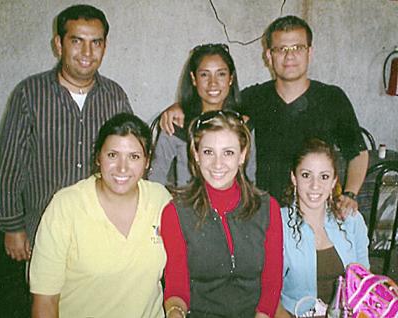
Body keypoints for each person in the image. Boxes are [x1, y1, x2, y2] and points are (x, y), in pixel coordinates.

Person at [159, 15, 368, 216]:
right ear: (269, 56)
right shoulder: (252, 99)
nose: (290, 56)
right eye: (281, 49)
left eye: (298, 48)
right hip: (262, 212)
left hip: (315, 209)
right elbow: (215, 104)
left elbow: (358, 153)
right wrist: (180, 107)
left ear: (309, 52)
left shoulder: (332, 98)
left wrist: (350, 194)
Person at [0, 4, 132, 316]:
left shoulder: (115, 97)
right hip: (41, 234)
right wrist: (12, 226)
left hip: (100, 234)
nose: (87, 51)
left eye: (96, 42)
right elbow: (10, 166)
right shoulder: (29, 94)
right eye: (77, 40)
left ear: (105, 46)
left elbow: (129, 162)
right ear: (59, 44)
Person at [29, 113, 171, 318]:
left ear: (147, 161)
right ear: (98, 157)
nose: (122, 167)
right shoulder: (66, 206)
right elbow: (45, 300)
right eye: (112, 155)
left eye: (134, 157)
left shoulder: (160, 199)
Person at [161, 110, 283, 318]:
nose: (218, 164)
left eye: (228, 152)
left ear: (242, 155)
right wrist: (175, 312)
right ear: (196, 155)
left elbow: (272, 283)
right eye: (209, 152)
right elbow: (176, 286)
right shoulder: (175, 212)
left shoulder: (268, 208)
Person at [275, 138, 369, 317]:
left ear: (334, 181)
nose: (315, 185)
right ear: (294, 177)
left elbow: (363, 282)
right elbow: (269, 296)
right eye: (306, 175)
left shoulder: (351, 220)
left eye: (324, 176)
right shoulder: (278, 224)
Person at [149, 43, 256, 186]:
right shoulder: (176, 124)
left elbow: (249, 180)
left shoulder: (242, 124)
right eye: (204, 74)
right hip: (187, 206)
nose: (213, 83)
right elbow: (156, 179)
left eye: (221, 74)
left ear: (231, 78)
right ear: (194, 79)